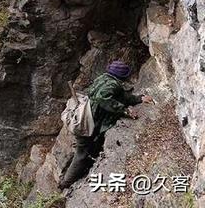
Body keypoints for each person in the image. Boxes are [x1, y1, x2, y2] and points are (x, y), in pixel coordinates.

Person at [58, 60, 154, 189]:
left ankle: (73, 170)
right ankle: (65, 182)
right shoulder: (112, 85)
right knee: (81, 153)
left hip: (89, 117)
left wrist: (139, 98)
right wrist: (125, 110)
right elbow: (103, 98)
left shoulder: (104, 78)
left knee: (85, 148)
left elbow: (121, 96)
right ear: (122, 76)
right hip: (87, 123)